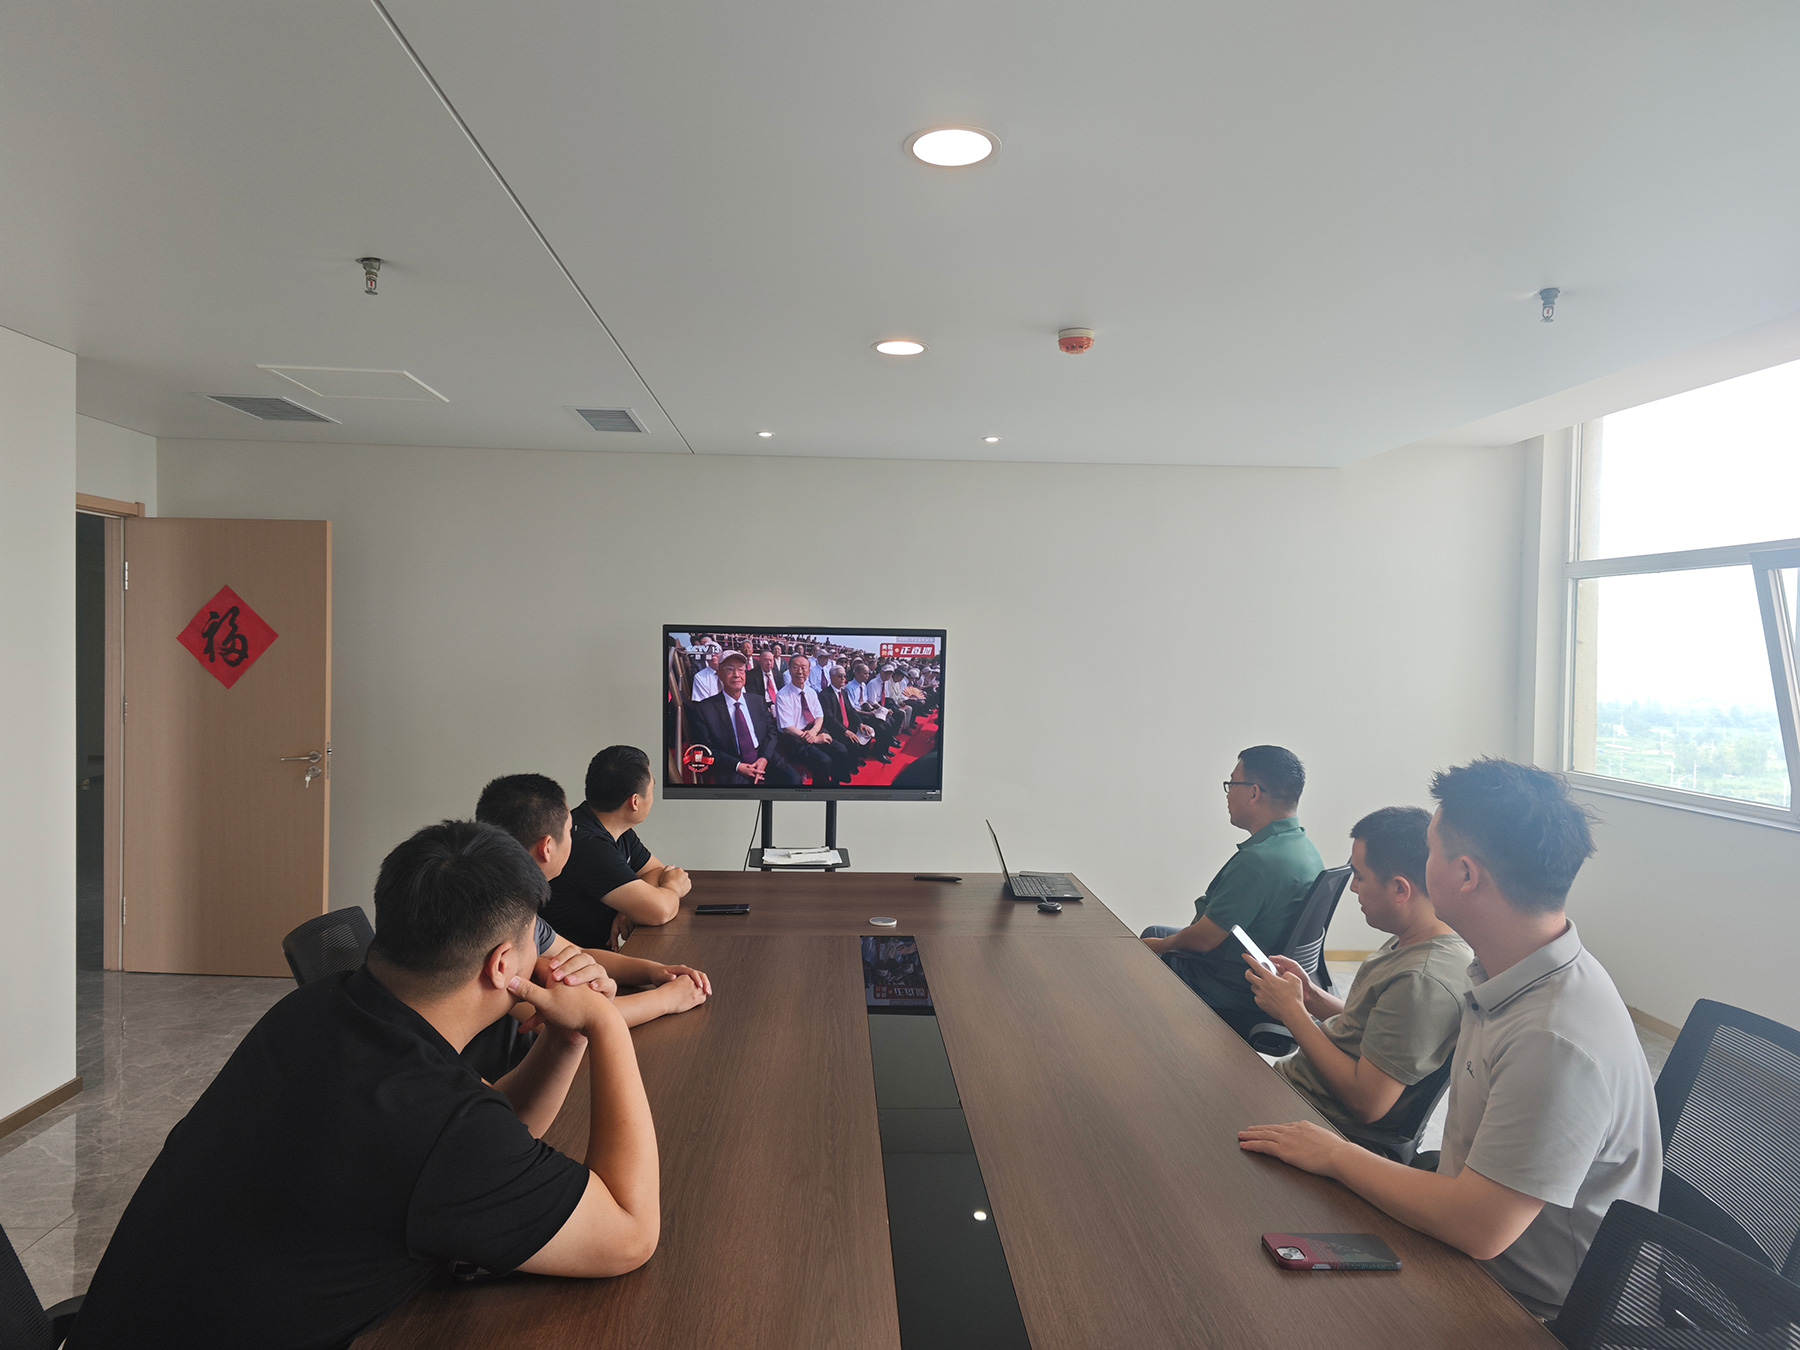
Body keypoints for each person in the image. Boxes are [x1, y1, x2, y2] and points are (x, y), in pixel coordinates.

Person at [69, 821, 659, 1349]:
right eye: (538, 937)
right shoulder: (440, 1127)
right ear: (503, 966)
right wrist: (607, 1026)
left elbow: (489, 1141)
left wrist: (566, 1038)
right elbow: (630, 1233)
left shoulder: (319, 1008)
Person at [1239, 758, 1661, 1321]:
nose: (1423, 860)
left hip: (1512, 1304)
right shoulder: (1513, 970)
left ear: (1463, 875)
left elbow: (1478, 1229)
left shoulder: (1553, 1039)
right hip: (1467, 1230)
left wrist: (1336, 1154)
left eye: (1431, 849)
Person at [1243, 806, 1472, 1149]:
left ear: (1399, 889)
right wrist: (1311, 998)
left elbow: (1368, 1103)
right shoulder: (1418, 939)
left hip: (1312, 1118)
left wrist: (1292, 1013)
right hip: (1296, 1092)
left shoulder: (1422, 981)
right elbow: (1370, 1031)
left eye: (1360, 876)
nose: (1352, 888)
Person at [477, 772, 711, 1031]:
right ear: (547, 848)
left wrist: (654, 971)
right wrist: (666, 999)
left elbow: (577, 953)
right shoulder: (495, 923)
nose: (574, 835)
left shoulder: (511, 903)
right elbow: (555, 1019)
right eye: (569, 831)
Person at [1140, 745, 1324, 1039]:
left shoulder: (1259, 862)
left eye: (1231, 784)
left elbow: (1203, 940)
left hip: (1233, 988)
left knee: (1150, 946)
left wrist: (1161, 947)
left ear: (1254, 793)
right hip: (1260, 971)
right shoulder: (1304, 848)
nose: (1227, 794)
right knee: (1159, 933)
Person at [544, 746, 692, 950]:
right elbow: (660, 911)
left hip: (594, 958)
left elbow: (654, 871)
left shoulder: (613, 828)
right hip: (570, 966)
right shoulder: (588, 845)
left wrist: (632, 905)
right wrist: (673, 889)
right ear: (635, 802)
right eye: (652, 789)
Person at [687, 651, 797, 787]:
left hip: (764, 757)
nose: (736, 675)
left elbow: (771, 733)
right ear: (719, 674)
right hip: (732, 764)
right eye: (730, 669)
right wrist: (738, 766)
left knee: (794, 780)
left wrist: (764, 758)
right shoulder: (705, 709)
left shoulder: (757, 701)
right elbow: (706, 749)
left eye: (740, 669)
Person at [774, 655, 853, 784]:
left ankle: (836, 783)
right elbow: (787, 727)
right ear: (789, 669)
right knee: (823, 760)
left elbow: (819, 716)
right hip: (794, 738)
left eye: (804, 668)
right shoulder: (782, 695)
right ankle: (819, 791)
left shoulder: (811, 692)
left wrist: (815, 732)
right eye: (795, 667)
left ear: (809, 671)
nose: (800, 672)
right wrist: (814, 738)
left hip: (812, 730)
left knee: (840, 749)